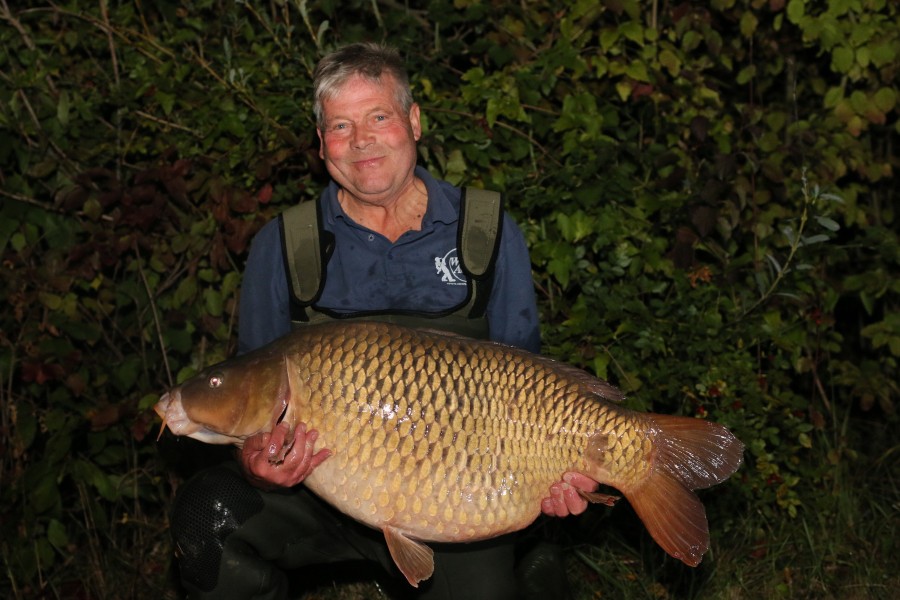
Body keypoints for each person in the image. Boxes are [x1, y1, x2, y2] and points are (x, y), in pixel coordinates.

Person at [169, 42, 597, 599]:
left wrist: (555, 472)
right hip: (317, 491)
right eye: (340, 126)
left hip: (457, 495)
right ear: (322, 143)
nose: (361, 141)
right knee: (208, 520)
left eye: (378, 117)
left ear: (413, 122)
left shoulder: (485, 230)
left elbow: (529, 387)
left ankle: (532, 559)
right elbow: (254, 393)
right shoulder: (286, 244)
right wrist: (255, 462)